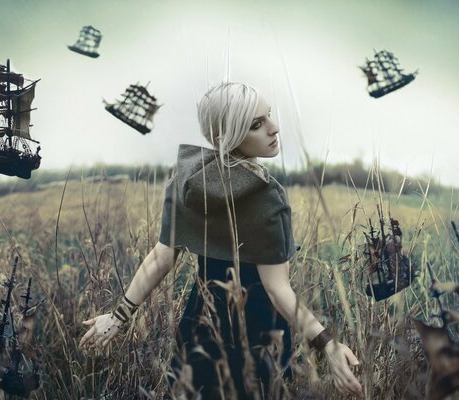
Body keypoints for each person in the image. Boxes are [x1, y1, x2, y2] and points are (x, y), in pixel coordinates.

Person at [80, 82, 363, 398]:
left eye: (268, 115)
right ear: (226, 137)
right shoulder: (269, 197)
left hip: (200, 322)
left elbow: (161, 257)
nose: (274, 128)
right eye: (257, 124)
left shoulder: (185, 182)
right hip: (258, 333)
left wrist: (119, 317)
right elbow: (276, 287)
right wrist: (327, 344)